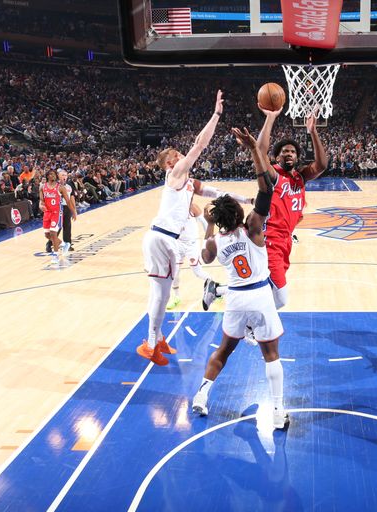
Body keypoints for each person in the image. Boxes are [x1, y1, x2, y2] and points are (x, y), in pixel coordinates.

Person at [191, 126, 288, 429]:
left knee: (223, 351)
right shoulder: (254, 228)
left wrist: (208, 225)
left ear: (218, 220)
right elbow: (265, 190)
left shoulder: (214, 242)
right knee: (271, 355)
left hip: (234, 298)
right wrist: (253, 150)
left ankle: (202, 396)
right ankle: (277, 411)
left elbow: (204, 257)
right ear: (239, 213)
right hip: (260, 295)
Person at [202, 104, 328, 313]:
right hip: (268, 239)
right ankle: (250, 324)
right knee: (280, 298)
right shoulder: (274, 175)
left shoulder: (300, 177)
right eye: (284, 151)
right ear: (277, 157)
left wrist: (313, 131)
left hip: (285, 240)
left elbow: (321, 165)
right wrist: (270, 118)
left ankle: (217, 290)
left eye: (293, 152)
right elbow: (260, 152)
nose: (289, 154)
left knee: (264, 285)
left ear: (297, 158)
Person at [138, 90, 225, 365]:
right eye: (176, 154)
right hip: (160, 239)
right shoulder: (174, 174)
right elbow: (199, 146)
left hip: (168, 240)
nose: (181, 155)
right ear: (168, 163)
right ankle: (150, 344)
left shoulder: (185, 181)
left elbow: (207, 191)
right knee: (159, 294)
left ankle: (158, 339)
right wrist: (216, 115)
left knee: (162, 295)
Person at [40, 169, 77, 264]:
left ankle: (55, 255)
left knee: (53, 233)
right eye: (51, 174)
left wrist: (73, 212)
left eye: (54, 175)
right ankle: (64, 244)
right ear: (47, 176)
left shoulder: (61, 187)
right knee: (47, 235)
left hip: (57, 212)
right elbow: (41, 201)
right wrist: (41, 206)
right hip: (47, 213)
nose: (53, 176)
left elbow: (68, 201)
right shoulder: (42, 187)